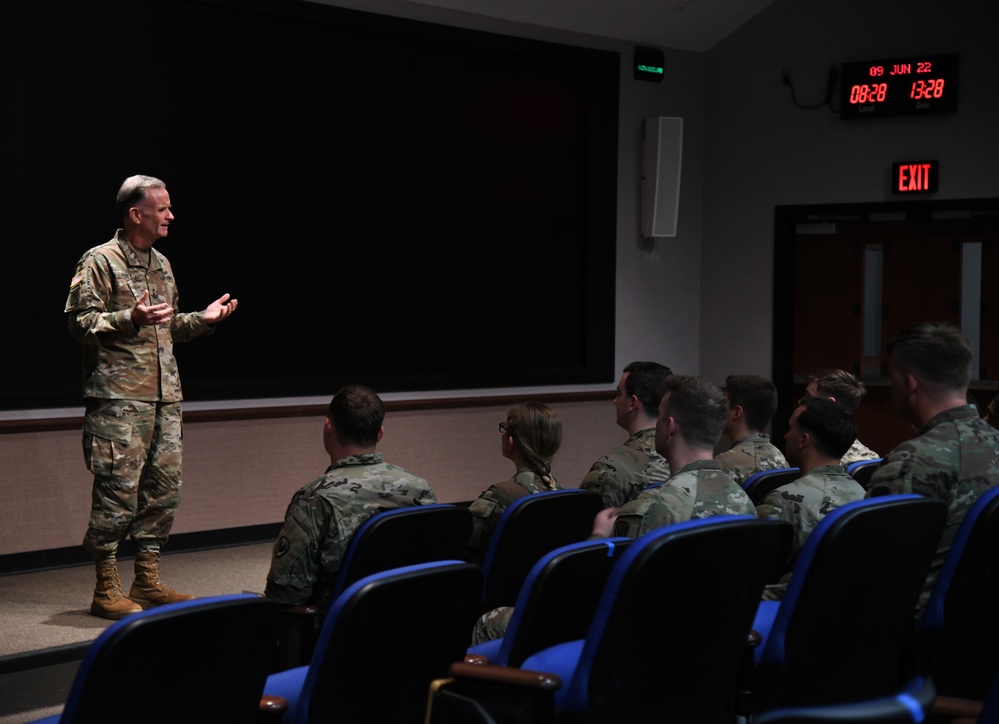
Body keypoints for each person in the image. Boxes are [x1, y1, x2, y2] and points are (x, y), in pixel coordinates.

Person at [65, 175, 238, 620]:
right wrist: (129, 317)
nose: (171, 216)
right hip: (119, 400)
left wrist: (202, 320)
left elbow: (168, 326)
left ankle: (146, 578)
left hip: (164, 398)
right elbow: (80, 323)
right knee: (117, 494)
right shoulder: (99, 260)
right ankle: (105, 587)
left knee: (164, 491)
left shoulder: (161, 263)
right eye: (162, 209)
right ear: (135, 213)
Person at [264, 384, 437, 611]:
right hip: (416, 618)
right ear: (380, 433)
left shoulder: (314, 500)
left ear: (328, 427)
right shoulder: (421, 490)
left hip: (341, 628)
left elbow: (285, 595)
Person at [866, 322, 999, 615]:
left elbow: (872, 573)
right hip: (978, 624)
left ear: (909, 384)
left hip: (911, 628)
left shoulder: (912, 461)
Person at [591, 375, 756, 540]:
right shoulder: (745, 503)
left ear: (669, 427)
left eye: (659, 416)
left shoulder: (651, 508)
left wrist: (600, 534)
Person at [466, 401, 563, 645]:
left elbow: (462, 544)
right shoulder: (566, 496)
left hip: (496, 610)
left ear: (511, 441)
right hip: (545, 609)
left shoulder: (501, 495)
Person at [756, 396, 866, 598]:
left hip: (785, 606)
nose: (786, 435)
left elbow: (751, 571)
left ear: (804, 440)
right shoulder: (863, 494)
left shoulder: (784, 500)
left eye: (790, 428)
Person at [465, 401, 563, 567]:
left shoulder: (500, 496)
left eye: (505, 428)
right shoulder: (564, 493)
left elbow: (458, 545)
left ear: (511, 441)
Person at [580, 361, 672, 508]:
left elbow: (585, 520)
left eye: (619, 393)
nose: (615, 400)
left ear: (632, 403)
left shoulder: (610, 469)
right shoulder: (685, 460)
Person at [714, 374, 789, 486]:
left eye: (723, 404)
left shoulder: (722, 465)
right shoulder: (781, 459)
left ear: (736, 412)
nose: (717, 410)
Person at [801, 368, 880, 465]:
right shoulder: (871, 459)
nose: (800, 401)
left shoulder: (812, 458)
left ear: (829, 404)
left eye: (808, 396)